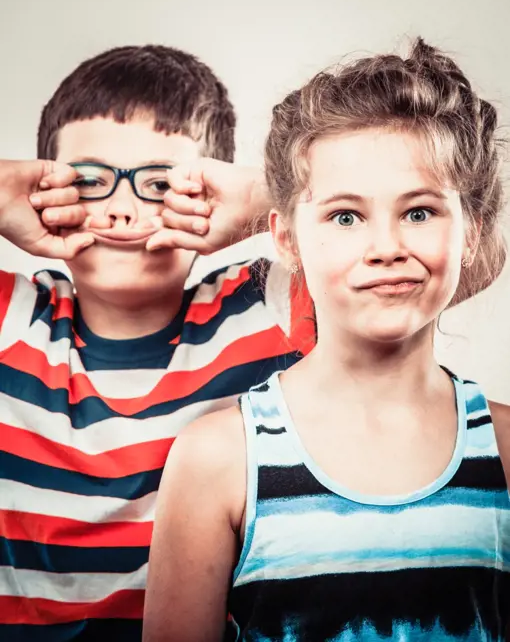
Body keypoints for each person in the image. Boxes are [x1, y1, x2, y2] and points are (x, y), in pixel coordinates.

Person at [143, 38, 510, 641]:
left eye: (420, 212)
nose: (387, 247)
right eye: (345, 217)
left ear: (471, 232)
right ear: (286, 240)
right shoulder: (216, 460)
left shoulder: (505, 447)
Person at [0, 45, 311, 641]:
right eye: (88, 181)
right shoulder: (13, 318)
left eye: (159, 183)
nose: (121, 209)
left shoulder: (262, 310)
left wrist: (262, 200)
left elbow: (458, 262)